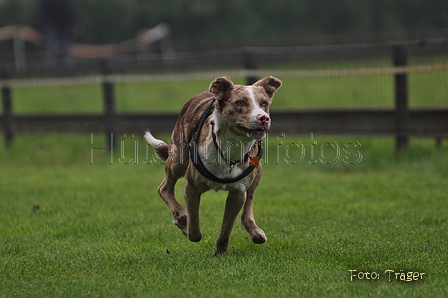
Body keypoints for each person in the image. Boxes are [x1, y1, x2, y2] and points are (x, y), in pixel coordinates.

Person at [38, 0, 80, 72]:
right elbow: (43, 12)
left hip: (66, 27)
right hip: (53, 28)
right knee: (52, 51)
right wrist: (46, 27)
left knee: (68, 51)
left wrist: (75, 24)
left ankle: (69, 71)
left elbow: (72, 10)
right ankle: (51, 71)